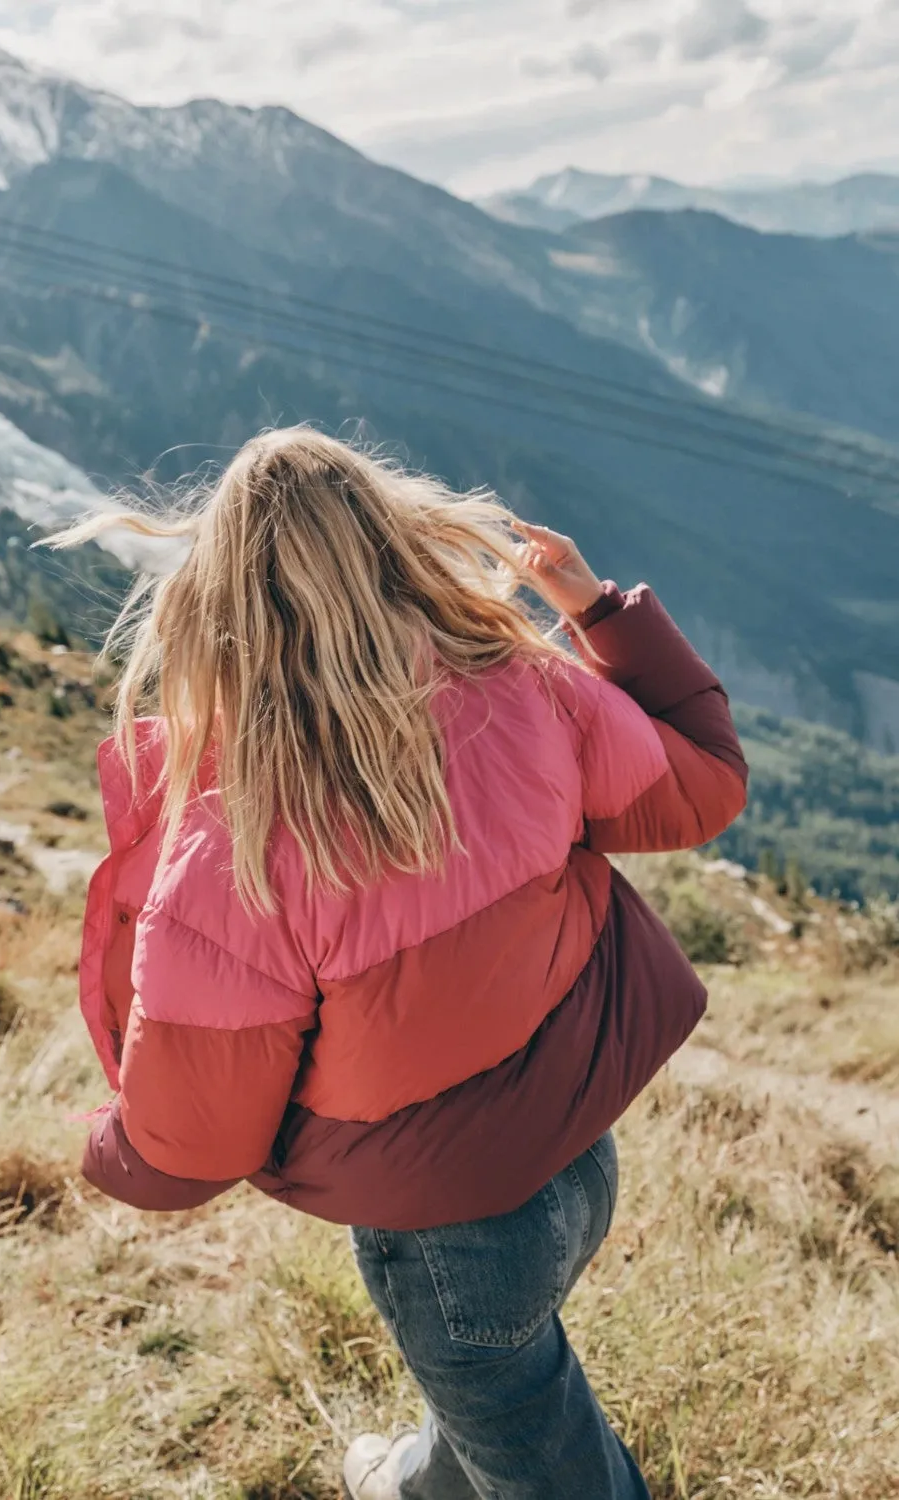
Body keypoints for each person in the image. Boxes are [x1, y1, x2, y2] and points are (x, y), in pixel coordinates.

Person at [54, 427, 747, 1500]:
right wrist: (597, 614)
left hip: (451, 1233)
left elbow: (198, 1138)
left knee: (535, 1442)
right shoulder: (530, 688)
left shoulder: (235, 842)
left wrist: (109, 1151)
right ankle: (413, 1483)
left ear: (216, 605)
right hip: (576, 1156)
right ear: (397, 544)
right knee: (495, 1392)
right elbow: (700, 784)